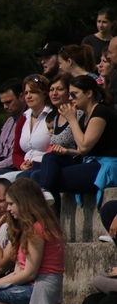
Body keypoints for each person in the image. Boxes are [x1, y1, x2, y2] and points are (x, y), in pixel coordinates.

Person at [38, 74, 117, 215]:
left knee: (53, 179)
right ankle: (45, 192)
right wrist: (67, 152)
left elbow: (85, 146)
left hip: (106, 165)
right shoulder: (85, 116)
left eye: (74, 94)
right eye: (69, 95)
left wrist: (72, 120)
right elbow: (81, 149)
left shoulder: (100, 112)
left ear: (88, 93)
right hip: (90, 162)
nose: (70, 98)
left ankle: (52, 224)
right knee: (48, 160)